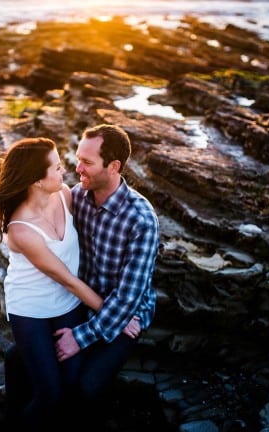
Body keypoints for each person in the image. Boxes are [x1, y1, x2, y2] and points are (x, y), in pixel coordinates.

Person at [0, 137, 140, 430]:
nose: (64, 171)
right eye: (56, 167)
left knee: (71, 385)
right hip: (31, 308)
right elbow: (67, 279)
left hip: (67, 303)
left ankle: (19, 356)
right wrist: (117, 317)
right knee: (51, 395)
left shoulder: (65, 196)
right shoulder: (21, 230)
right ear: (36, 180)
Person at [53, 123, 160, 419]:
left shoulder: (141, 219)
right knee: (19, 360)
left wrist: (80, 337)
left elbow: (128, 297)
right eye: (77, 158)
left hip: (127, 314)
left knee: (86, 389)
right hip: (86, 300)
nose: (77, 168)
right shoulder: (78, 197)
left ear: (113, 166)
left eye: (86, 162)